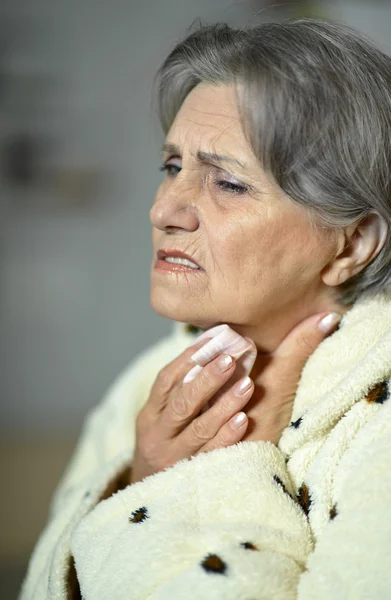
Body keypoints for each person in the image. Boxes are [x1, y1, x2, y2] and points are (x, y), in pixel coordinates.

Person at [20, 16, 391, 599]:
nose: (165, 208)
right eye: (172, 167)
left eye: (228, 184)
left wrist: (215, 477)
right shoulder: (147, 386)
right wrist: (141, 478)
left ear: (352, 243)